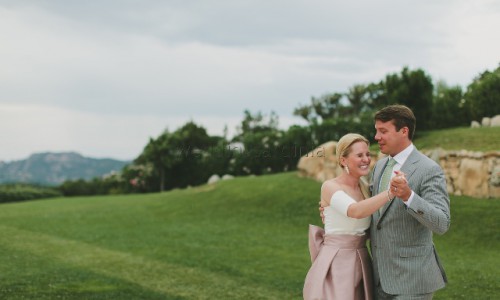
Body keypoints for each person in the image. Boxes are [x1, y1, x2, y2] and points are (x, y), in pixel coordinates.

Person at [303, 133, 404, 300]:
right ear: (343, 160)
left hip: (362, 259)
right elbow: (355, 211)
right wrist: (391, 192)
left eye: (367, 154)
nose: (366, 159)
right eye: (359, 155)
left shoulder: (366, 189)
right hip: (337, 261)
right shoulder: (330, 186)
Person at [369, 105, 450, 300]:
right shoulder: (380, 166)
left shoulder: (429, 169)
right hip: (379, 279)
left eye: (383, 131)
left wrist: (408, 197)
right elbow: (375, 215)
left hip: (413, 280)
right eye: (376, 130)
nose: (376, 137)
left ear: (404, 131)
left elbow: (442, 223)